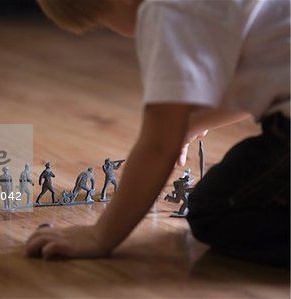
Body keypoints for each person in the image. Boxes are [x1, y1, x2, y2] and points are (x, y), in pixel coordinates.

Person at [26, 0, 290, 266]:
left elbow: (158, 146)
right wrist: (189, 126)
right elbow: (262, 87)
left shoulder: (165, 10)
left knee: (214, 210)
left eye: (105, 22)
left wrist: (100, 235)